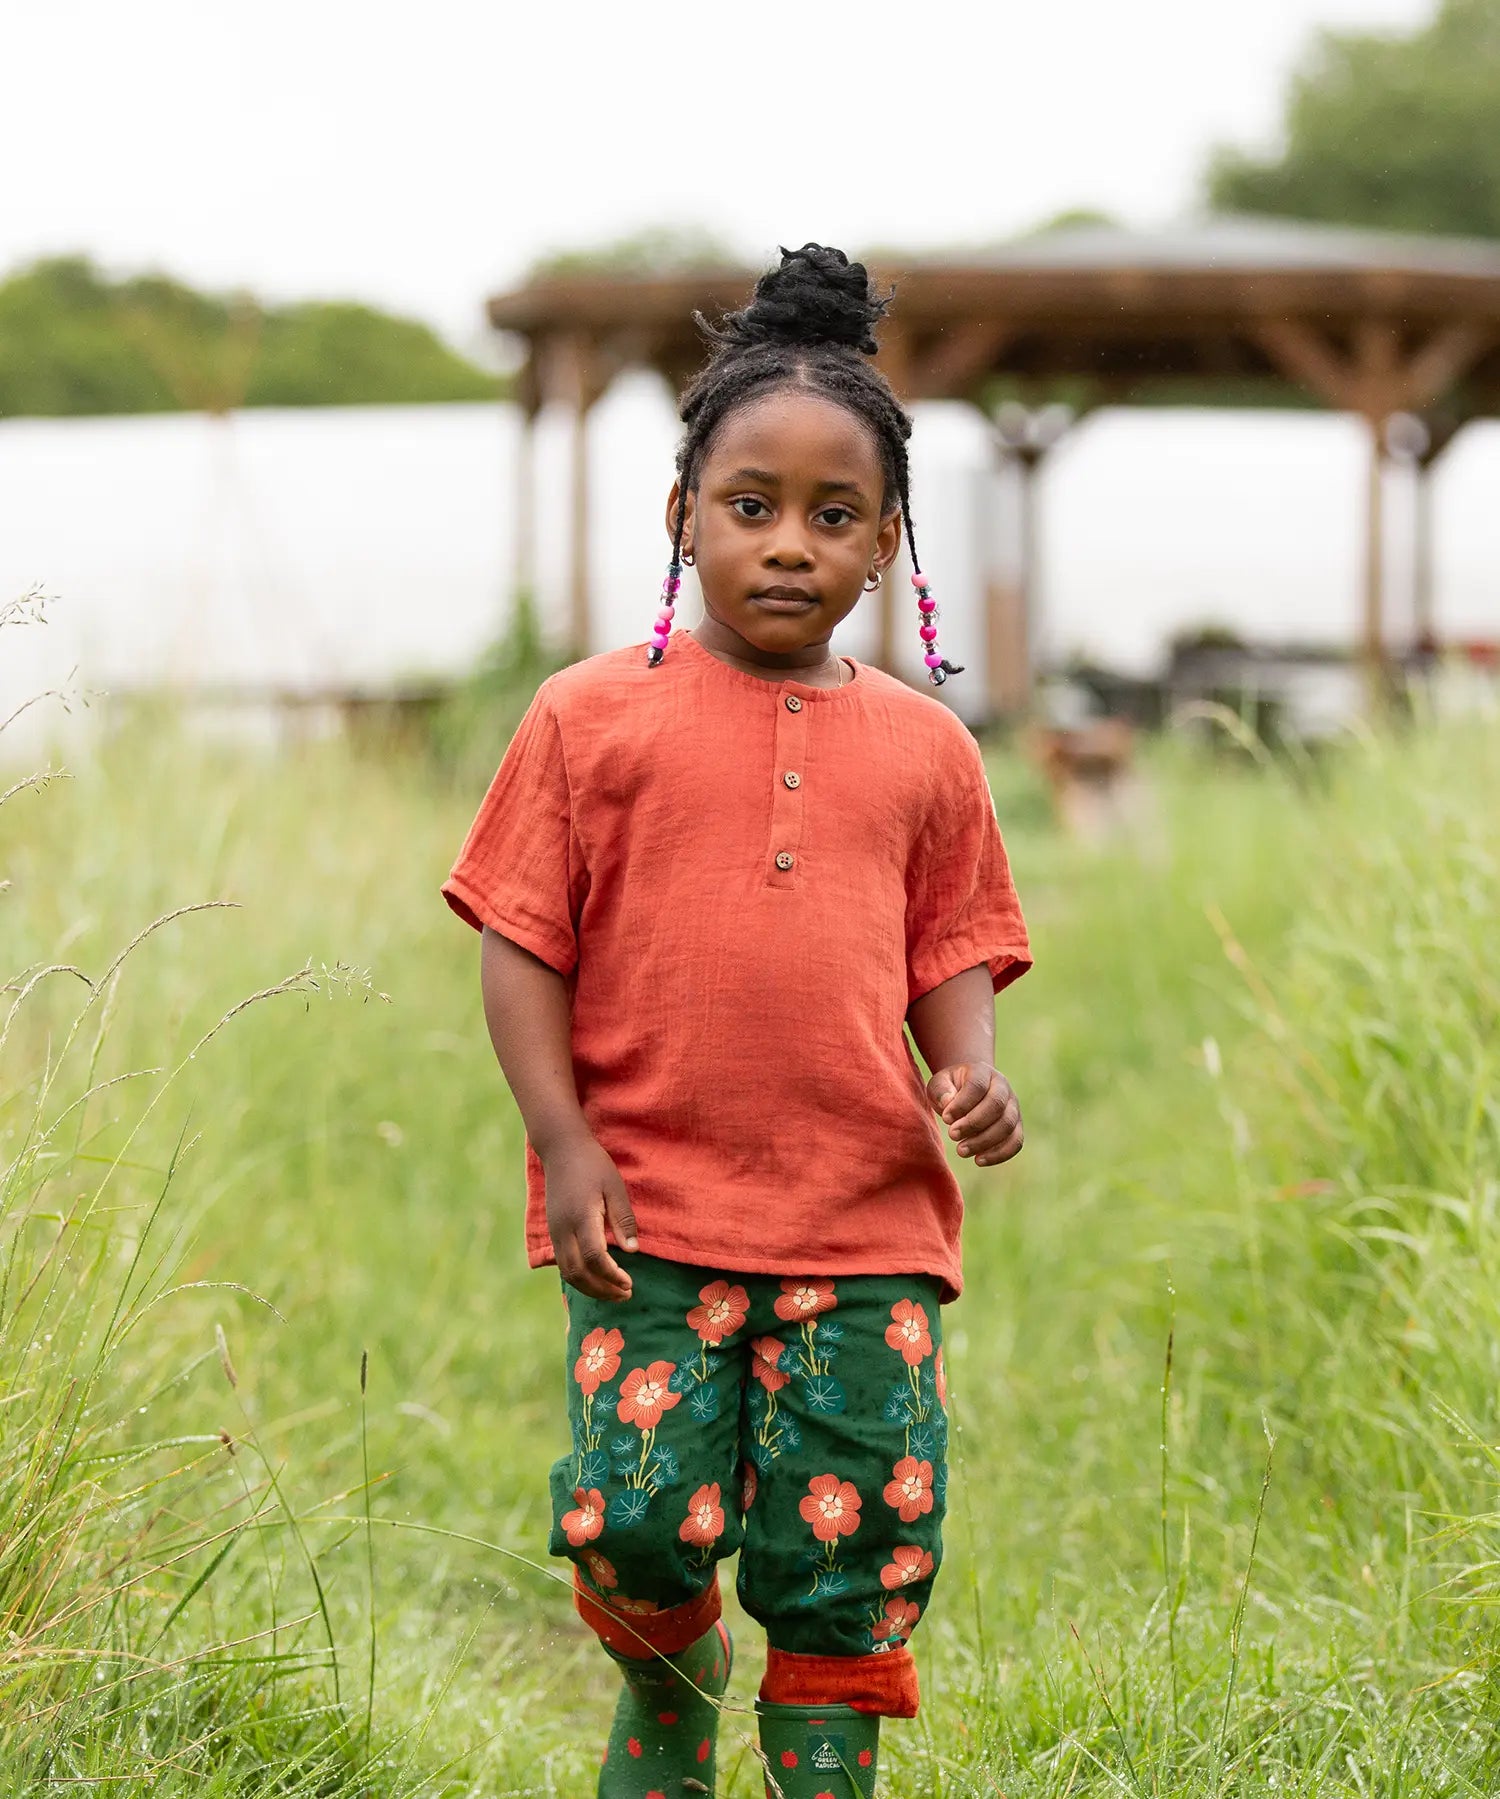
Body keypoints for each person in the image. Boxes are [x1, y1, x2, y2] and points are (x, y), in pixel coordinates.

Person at [443, 243, 1032, 1799]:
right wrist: (561, 1143)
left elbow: (950, 946)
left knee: (859, 1520)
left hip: (865, 1220)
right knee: (639, 1512)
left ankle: (821, 1773)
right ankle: (668, 1680)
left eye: (834, 518)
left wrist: (970, 1073)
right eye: (750, 505)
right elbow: (520, 943)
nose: (790, 546)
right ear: (682, 517)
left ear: (889, 542)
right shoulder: (588, 716)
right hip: (650, 1209)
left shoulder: (926, 750)